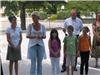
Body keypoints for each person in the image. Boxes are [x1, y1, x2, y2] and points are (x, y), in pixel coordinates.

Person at [61, 7, 83, 72]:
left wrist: (77, 34)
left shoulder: (79, 21)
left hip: (76, 36)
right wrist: (65, 32)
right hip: (68, 36)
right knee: (67, 51)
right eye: (72, 13)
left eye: (74, 13)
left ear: (76, 14)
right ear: (70, 14)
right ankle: (64, 66)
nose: (73, 14)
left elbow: (81, 28)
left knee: (75, 51)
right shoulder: (67, 20)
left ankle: (74, 66)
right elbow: (64, 28)